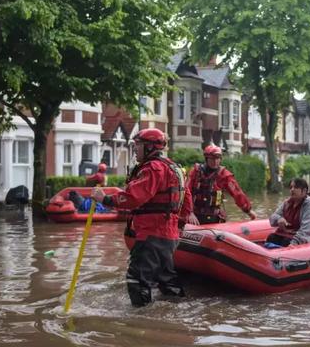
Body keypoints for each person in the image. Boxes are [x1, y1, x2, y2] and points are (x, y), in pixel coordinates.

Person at [91, 128, 193, 307]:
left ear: (150, 147)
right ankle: (179, 310)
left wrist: (105, 198)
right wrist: (180, 226)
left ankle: (140, 320)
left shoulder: (153, 168)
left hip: (152, 233)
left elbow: (134, 197)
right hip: (169, 235)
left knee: (136, 278)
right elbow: (187, 201)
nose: (135, 150)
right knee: (166, 278)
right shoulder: (175, 168)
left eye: (138, 146)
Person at [185, 145, 257, 225]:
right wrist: (189, 212)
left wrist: (248, 211)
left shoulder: (224, 175)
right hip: (195, 216)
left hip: (214, 217)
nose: (215, 162)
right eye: (212, 159)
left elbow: (237, 193)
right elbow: (186, 192)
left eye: (217, 159)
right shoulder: (196, 172)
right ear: (206, 159)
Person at [265, 178, 310, 247]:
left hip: (308, 238)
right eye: (291, 187)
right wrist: (279, 219)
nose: (292, 189)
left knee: (286, 242)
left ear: (304, 191)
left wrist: (294, 244)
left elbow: (307, 230)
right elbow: (273, 217)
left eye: (296, 187)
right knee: (271, 238)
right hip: (289, 234)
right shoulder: (287, 202)